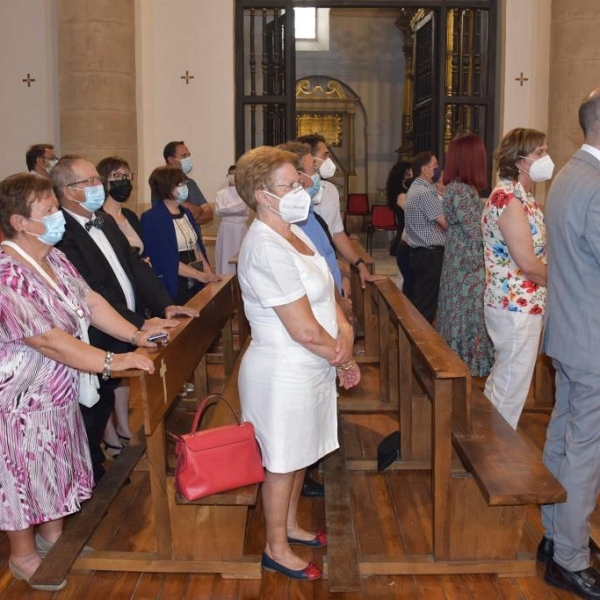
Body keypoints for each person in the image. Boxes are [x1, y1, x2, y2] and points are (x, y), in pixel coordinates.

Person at [0, 173, 158, 591]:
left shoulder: (53, 257)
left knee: (53, 469)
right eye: (49, 211)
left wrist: (134, 334)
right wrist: (113, 360)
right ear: (20, 222)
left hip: (57, 392)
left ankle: (54, 539)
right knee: (21, 477)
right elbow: (49, 340)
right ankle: (22, 555)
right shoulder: (7, 273)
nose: (58, 217)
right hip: (18, 401)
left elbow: (90, 301)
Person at [235, 146, 360, 581]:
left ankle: (289, 525)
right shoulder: (265, 246)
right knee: (282, 460)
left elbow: (327, 290)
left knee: (301, 452)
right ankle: (275, 547)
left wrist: (345, 333)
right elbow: (302, 328)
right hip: (283, 370)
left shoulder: (296, 231)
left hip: (314, 363)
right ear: (261, 195)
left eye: (298, 183)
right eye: (290, 185)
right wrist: (341, 354)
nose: (300, 191)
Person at [51, 156, 197, 484]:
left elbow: (133, 266)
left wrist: (165, 306)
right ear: (67, 191)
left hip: (121, 324)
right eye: (89, 181)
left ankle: (94, 467)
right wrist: (138, 325)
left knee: (102, 402)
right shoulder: (63, 233)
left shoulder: (102, 219)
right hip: (94, 332)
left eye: (96, 180)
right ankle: (86, 474)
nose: (98, 186)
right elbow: (93, 289)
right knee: (88, 408)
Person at [538, 89, 600, 598]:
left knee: (562, 436)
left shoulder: (567, 175)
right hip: (592, 341)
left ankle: (554, 534)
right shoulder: (596, 184)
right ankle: (570, 557)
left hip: (568, 331)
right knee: (586, 450)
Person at [481, 128, 549, 429]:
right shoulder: (508, 199)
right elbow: (528, 264)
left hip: (521, 302)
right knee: (510, 383)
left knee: (506, 378)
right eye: (540, 153)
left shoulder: (522, 196)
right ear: (520, 161)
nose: (546, 159)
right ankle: (496, 453)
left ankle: (489, 440)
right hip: (515, 304)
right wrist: (567, 282)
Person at [436, 134, 493, 377]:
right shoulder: (459, 190)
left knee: (468, 322)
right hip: (466, 274)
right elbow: (476, 232)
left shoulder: (464, 189)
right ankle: (461, 370)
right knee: (465, 322)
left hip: (466, 269)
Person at [297, 133, 385, 290]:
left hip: (329, 259)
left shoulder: (330, 190)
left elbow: (337, 233)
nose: (328, 160)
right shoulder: (293, 197)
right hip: (307, 267)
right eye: (325, 155)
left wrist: (359, 264)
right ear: (311, 160)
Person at [96, 156, 142, 455]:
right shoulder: (99, 218)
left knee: (125, 371)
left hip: (133, 301)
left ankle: (124, 425)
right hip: (109, 309)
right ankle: (110, 434)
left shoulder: (131, 217)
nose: (124, 180)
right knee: (108, 374)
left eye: (127, 174)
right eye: (117, 176)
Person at [142, 165, 220, 304]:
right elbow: (164, 259)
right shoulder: (152, 217)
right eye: (179, 184)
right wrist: (199, 275)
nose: (184, 187)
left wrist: (207, 272)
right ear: (166, 188)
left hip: (195, 277)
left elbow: (196, 246)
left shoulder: (187, 213)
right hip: (173, 278)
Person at [404, 151, 447, 323]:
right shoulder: (425, 192)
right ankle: (421, 346)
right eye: (435, 166)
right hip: (430, 255)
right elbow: (445, 222)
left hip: (420, 253)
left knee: (422, 302)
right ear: (425, 169)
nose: (438, 169)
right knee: (426, 308)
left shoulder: (417, 187)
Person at [159, 141, 214, 235]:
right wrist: (199, 211)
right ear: (171, 160)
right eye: (184, 156)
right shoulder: (161, 183)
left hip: (195, 243)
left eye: (189, 155)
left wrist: (187, 212)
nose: (188, 159)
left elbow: (209, 214)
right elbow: (171, 214)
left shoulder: (191, 183)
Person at [214, 165, 250, 275]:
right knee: (224, 258)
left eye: (235, 174)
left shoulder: (245, 193)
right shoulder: (221, 193)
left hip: (240, 229)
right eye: (230, 174)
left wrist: (228, 208)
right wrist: (235, 208)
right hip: (226, 230)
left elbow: (243, 208)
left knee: (242, 259)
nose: (232, 176)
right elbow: (219, 210)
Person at [385, 159, 414, 294]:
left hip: (406, 235)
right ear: (405, 174)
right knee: (405, 279)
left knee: (404, 277)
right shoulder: (401, 194)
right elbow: (412, 212)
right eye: (410, 171)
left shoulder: (405, 191)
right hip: (404, 235)